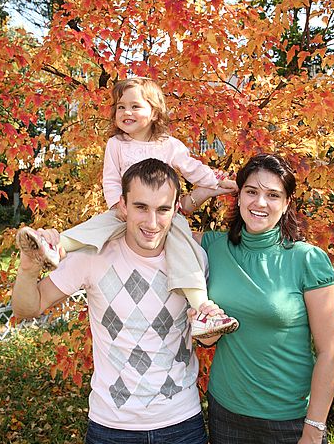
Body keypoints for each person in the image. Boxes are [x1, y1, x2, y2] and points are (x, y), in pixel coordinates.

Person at [11, 158, 232, 444]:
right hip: (111, 430)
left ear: (176, 209)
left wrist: (205, 332)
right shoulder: (91, 257)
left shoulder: (195, 262)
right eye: (141, 207)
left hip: (181, 424)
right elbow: (27, 307)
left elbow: (207, 340)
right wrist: (29, 265)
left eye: (162, 209)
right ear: (123, 206)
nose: (151, 221)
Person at [16, 76, 239, 339]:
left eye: (135, 106)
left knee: (184, 250)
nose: (126, 112)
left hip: (169, 216)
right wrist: (115, 205)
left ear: (154, 112)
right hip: (123, 209)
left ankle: (202, 309)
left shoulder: (169, 145)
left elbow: (193, 170)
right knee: (96, 227)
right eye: (121, 107)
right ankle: (55, 246)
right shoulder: (117, 145)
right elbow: (110, 179)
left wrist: (218, 181)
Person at [189, 153, 334, 444]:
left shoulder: (307, 259)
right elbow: (158, 224)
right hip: (229, 418)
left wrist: (313, 433)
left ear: (287, 203)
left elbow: (329, 353)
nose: (260, 202)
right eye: (251, 191)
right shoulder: (213, 247)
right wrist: (204, 190)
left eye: (273, 195)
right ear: (238, 196)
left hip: (292, 422)